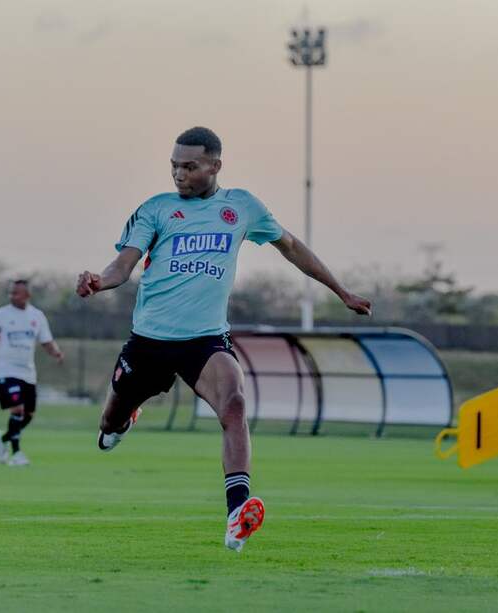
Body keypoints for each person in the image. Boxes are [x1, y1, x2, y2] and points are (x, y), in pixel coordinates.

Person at [76, 126, 372, 552]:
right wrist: (98, 281)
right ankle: (126, 416)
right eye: (174, 166)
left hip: (206, 340)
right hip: (149, 341)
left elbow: (290, 246)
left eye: (190, 166)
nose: (179, 174)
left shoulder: (241, 207)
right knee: (109, 425)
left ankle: (237, 513)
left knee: (234, 402)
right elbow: (124, 265)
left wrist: (341, 291)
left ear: (215, 166)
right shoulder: (156, 210)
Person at [0, 280, 64, 466]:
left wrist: (56, 353)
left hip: (28, 372)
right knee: (17, 410)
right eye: (10, 293)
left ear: (27, 295)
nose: (12, 296)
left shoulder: (37, 316)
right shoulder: (1, 315)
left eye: (16, 293)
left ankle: (2, 439)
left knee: (28, 415)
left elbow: (46, 341)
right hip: (6, 369)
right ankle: (17, 454)